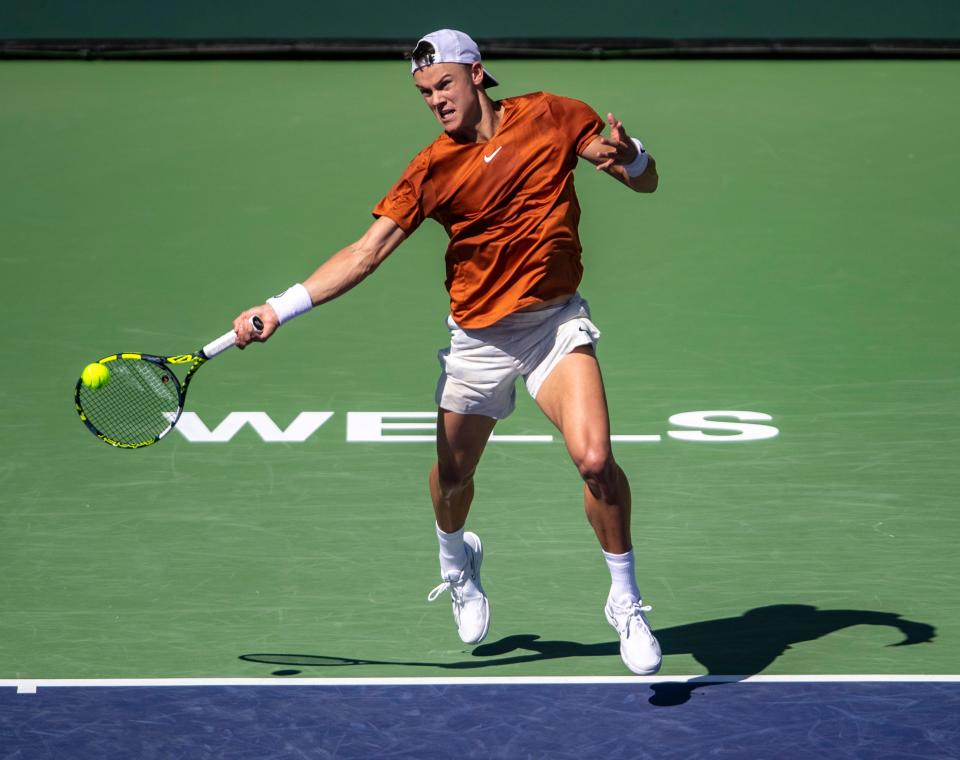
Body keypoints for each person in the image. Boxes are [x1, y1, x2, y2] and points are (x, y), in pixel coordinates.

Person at [232, 29, 661, 675]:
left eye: (444, 85)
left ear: (476, 74)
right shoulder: (431, 168)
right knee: (454, 479)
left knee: (596, 460)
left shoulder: (552, 113)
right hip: (479, 337)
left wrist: (632, 156)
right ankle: (456, 556)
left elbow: (642, 180)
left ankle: (626, 602)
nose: (435, 100)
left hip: (553, 325)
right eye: (424, 92)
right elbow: (365, 252)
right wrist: (279, 307)